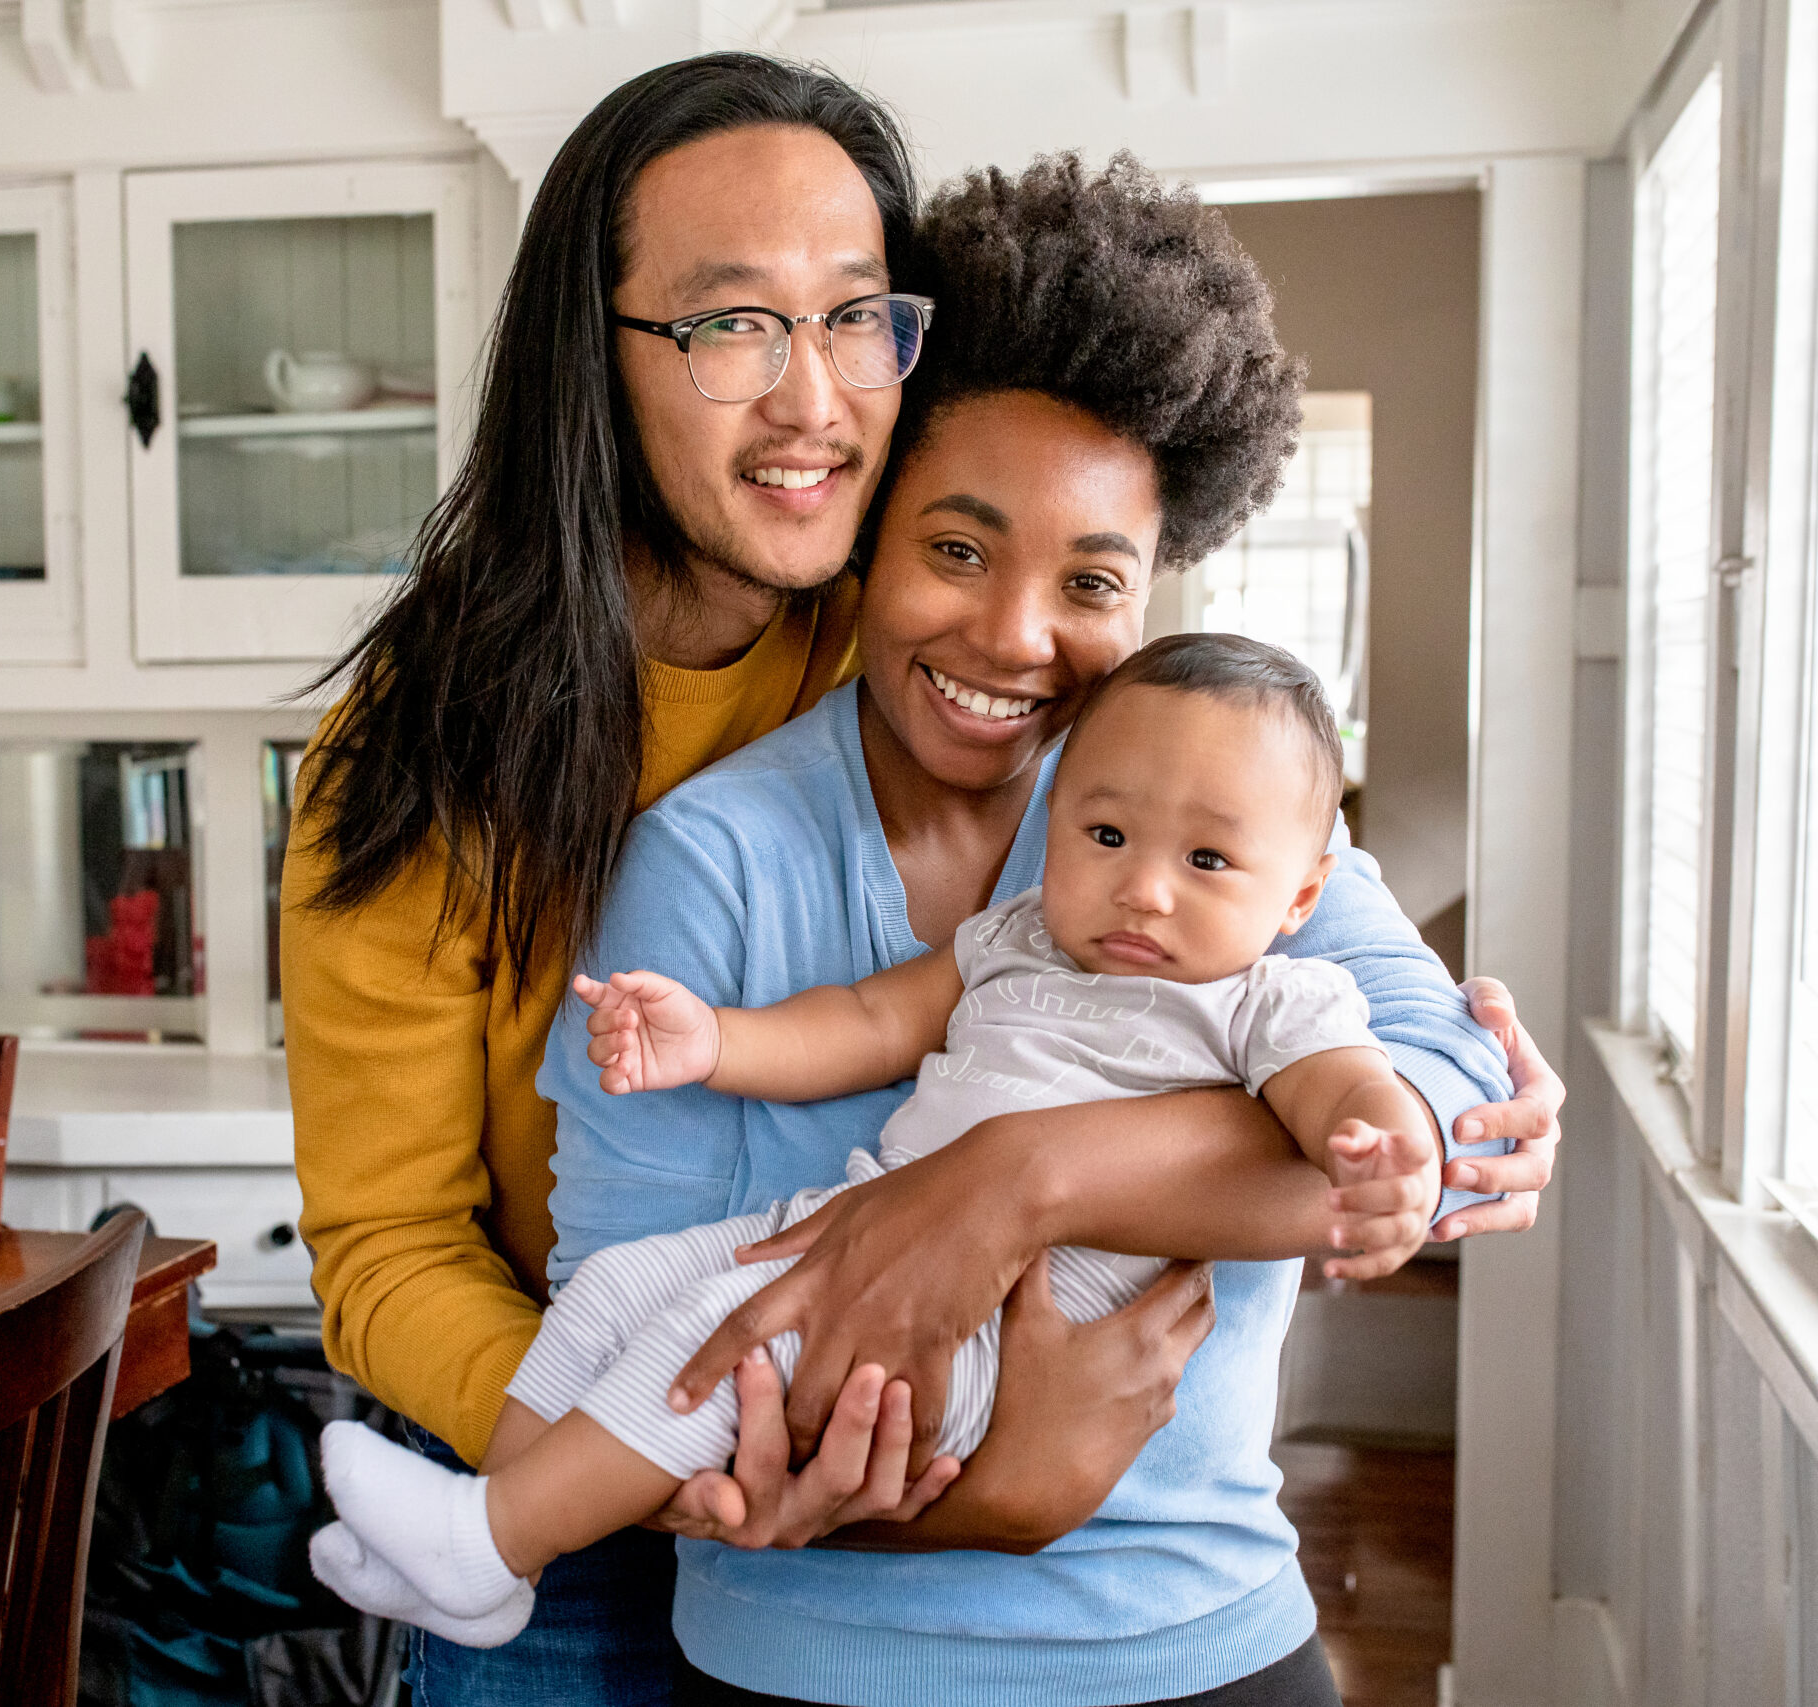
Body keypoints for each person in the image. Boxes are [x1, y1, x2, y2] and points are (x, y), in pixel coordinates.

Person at [284, 54, 1566, 1707]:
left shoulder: (1056, 719)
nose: (812, 398)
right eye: (732, 322)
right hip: (607, 1472)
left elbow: (1398, 1061)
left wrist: (1021, 1180)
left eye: (853, 317)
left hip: (1054, 1561)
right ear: (590, 364)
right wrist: (680, 1477)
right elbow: (387, 1247)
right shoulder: (434, 760)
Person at [311, 634, 1445, 1651]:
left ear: (1299, 896)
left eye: (1206, 862)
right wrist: (711, 1040)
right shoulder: (1016, 941)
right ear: (1057, 822)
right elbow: (866, 1022)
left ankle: (486, 1540)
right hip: (857, 1229)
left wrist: (1385, 1148)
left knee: (722, 1349)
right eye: (1105, 834)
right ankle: (497, 1547)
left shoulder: (1269, 1000)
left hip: (995, 1330)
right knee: (614, 1287)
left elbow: (1348, 1087)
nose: (1142, 890)